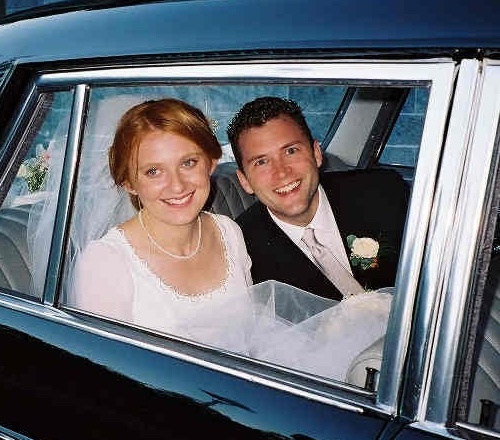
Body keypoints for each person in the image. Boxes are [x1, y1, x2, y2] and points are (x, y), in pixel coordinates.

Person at [70, 98, 253, 349]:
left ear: (211, 163)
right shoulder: (105, 262)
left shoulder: (229, 232)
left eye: (188, 163)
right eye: (153, 171)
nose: (177, 185)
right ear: (129, 183)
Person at [227, 96, 410, 301]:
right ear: (244, 181)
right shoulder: (240, 250)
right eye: (261, 162)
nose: (282, 173)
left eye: (291, 151)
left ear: (316, 153)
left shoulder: (384, 193)